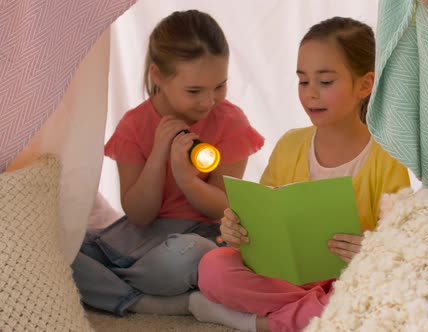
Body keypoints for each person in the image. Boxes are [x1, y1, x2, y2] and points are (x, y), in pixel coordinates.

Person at [192, 17, 410, 332]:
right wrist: (236, 230)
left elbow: (398, 245)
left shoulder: (386, 157)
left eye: (325, 82)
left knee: (375, 296)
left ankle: (261, 323)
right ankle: (311, 314)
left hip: (346, 279)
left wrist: (369, 249)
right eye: (303, 81)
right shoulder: (290, 144)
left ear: (365, 85)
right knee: (213, 266)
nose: (310, 94)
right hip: (283, 278)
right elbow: (260, 222)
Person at [71, 10, 264, 318]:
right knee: (60, 250)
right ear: (157, 76)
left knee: (190, 256)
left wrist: (188, 182)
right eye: (194, 91)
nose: (209, 101)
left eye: (219, 86)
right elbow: (139, 215)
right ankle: (146, 300)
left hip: (197, 237)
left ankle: (114, 290)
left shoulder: (231, 122)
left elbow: (225, 208)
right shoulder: (134, 126)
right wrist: (160, 152)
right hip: (139, 238)